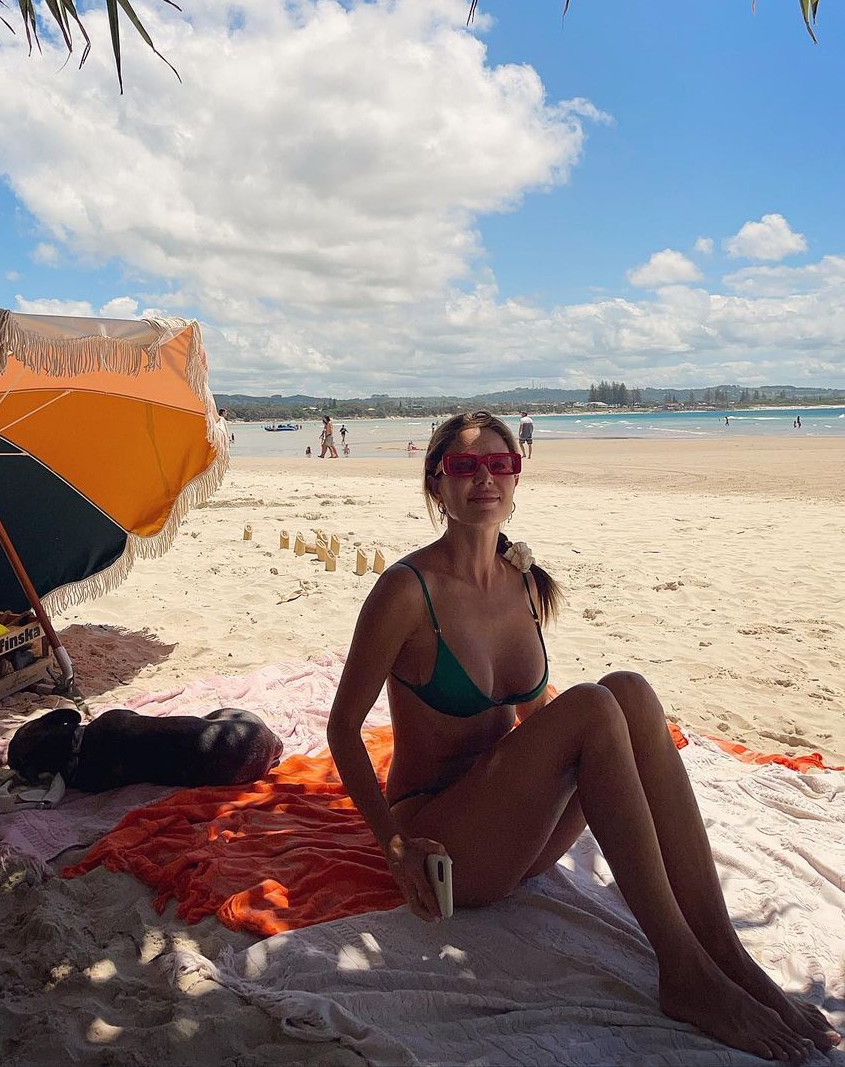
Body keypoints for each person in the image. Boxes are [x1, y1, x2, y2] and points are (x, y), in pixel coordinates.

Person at [326, 411, 835, 1062]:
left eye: (501, 463)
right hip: (447, 848)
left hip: (517, 834)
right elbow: (343, 727)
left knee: (628, 692)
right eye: (465, 465)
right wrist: (394, 846)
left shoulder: (521, 578)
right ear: (436, 483)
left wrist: (608, 745)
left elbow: (532, 710)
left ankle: (724, 952)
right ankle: (683, 970)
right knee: (595, 705)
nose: (485, 477)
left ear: (517, 476)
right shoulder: (405, 591)